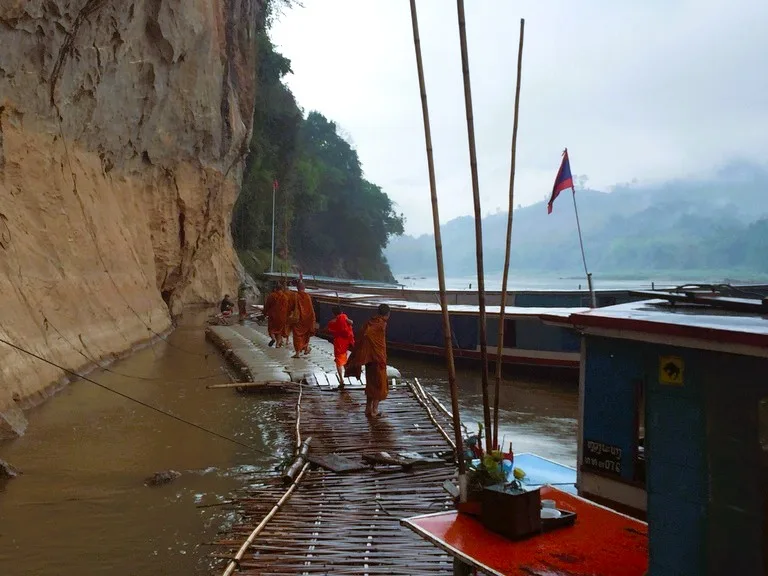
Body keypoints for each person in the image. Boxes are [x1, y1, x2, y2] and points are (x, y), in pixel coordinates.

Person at [346, 304, 390, 417]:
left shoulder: (370, 322)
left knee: (371, 384)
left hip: (370, 358)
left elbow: (363, 334)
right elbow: (368, 334)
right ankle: (374, 410)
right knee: (380, 385)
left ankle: (368, 409)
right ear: (387, 314)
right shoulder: (381, 324)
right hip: (378, 358)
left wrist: (364, 352)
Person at [326, 306, 354, 385]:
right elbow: (351, 322)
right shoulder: (344, 317)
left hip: (338, 343)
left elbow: (329, 329)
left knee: (338, 361)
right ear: (341, 311)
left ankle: (341, 379)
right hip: (345, 342)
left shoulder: (332, 322)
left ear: (333, 313)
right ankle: (346, 374)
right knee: (344, 357)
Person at [290, 282, 316, 358]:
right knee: (306, 335)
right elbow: (311, 309)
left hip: (298, 319)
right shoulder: (308, 296)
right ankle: (306, 348)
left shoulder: (295, 296)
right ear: (304, 288)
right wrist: (313, 319)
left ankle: (298, 353)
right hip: (307, 319)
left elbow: (291, 307)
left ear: (297, 288)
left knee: (297, 336)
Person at [264, 283, 289, 347]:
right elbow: (287, 308)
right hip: (282, 317)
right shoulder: (285, 297)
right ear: (282, 289)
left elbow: (267, 305)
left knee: (271, 329)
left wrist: (264, 312)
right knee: (279, 331)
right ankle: (277, 344)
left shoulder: (272, 296)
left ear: (275, 289)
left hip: (273, 316)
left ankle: (273, 338)